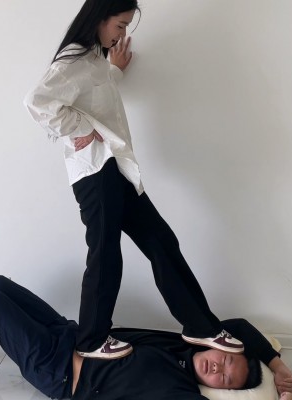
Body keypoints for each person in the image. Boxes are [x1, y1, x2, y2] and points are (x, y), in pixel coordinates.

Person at [24, 0, 243, 360]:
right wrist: (79, 128)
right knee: (105, 253)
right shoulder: (74, 59)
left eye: (126, 27)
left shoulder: (92, 60)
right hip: (96, 172)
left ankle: (199, 325)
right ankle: (91, 340)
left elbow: (98, 94)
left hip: (114, 168)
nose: (122, 34)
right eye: (120, 25)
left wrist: (115, 71)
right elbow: (36, 102)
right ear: (99, 18)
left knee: (160, 240)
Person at [0, 275, 292, 400]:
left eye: (224, 379)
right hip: (70, 333)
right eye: (226, 360)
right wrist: (276, 364)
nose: (217, 367)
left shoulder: (180, 393)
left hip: (58, 370)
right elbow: (240, 327)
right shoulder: (189, 341)